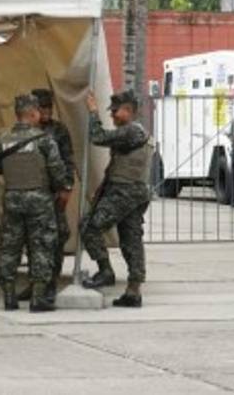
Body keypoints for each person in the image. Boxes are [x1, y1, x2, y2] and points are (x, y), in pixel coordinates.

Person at [0, 94, 72, 312]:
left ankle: (9, 297)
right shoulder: (45, 140)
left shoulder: (3, 140)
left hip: (12, 199)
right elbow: (58, 173)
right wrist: (61, 188)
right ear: (33, 113)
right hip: (40, 201)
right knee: (42, 246)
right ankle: (39, 299)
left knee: (9, 247)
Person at [81, 89, 153, 308]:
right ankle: (133, 291)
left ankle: (105, 271)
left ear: (129, 111)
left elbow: (98, 137)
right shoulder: (130, 133)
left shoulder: (131, 131)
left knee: (89, 227)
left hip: (125, 193)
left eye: (115, 111)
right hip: (131, 192)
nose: (112, 115)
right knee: (130, 240)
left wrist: (93, 112)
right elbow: (116, 167)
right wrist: (102, 190)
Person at [17, 88, 76, 302]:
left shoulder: (58, 131)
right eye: (42, 107)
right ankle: (35, 283)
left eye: (49, 107)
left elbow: (68, 161)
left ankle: (50, 284)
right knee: (31, 239)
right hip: (31, 192)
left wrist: (67, 188)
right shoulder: (23, 132)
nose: (47, 111)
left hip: (54, 192)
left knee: (56, 237)